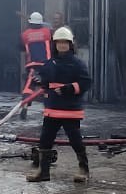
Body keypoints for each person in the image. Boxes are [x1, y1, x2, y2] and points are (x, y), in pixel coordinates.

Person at [28, 26, 92, 183]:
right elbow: (45, 79)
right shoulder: (50, 63)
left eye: (65, 43)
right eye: (59, 43)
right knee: (45, 140)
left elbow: (86, 82)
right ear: (54, 44)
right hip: (52, 109)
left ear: (70, 45)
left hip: (70, 110)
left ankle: (84, 170)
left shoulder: (77, 64)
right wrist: (39, 81)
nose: (62, 45)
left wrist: (69, 88)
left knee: (75, 140)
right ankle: (43, 172)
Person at [18, 12, 52, 120]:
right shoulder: (48, 32)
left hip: (32, 65)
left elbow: (21, 48)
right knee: (48, 88)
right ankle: (49, 109)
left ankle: (25, 106)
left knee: (28, 87)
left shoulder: (25, 34)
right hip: (47, 65)